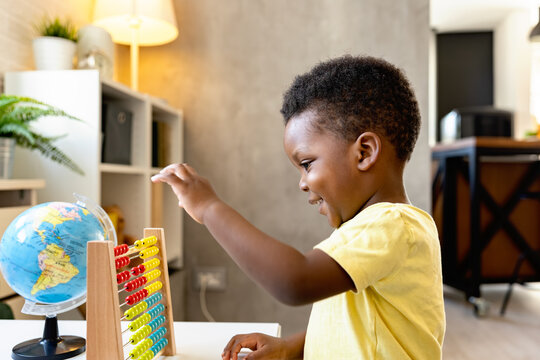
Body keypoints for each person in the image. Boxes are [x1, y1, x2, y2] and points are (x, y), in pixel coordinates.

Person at [151, 55, 446, 360]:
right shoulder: (369, 228)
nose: (302, 183)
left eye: (307, 164)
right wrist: (289, 346)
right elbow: (354, 323)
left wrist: (209, 207)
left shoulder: (392, 225)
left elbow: (294, 281)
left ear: (364, 152)